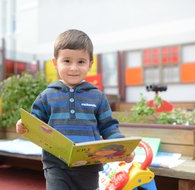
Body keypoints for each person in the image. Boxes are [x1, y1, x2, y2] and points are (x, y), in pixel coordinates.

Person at [16, 29, 137, 190]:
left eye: (81, 62)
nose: (74, 68)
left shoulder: (98, 97)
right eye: (67, 61)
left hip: (89, 165)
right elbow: (35, 122)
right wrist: (23, 125)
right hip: (55, 164)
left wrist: (123, 149)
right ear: (55, 63)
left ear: (90, 64)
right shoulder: (47, 95)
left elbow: (109, 127)